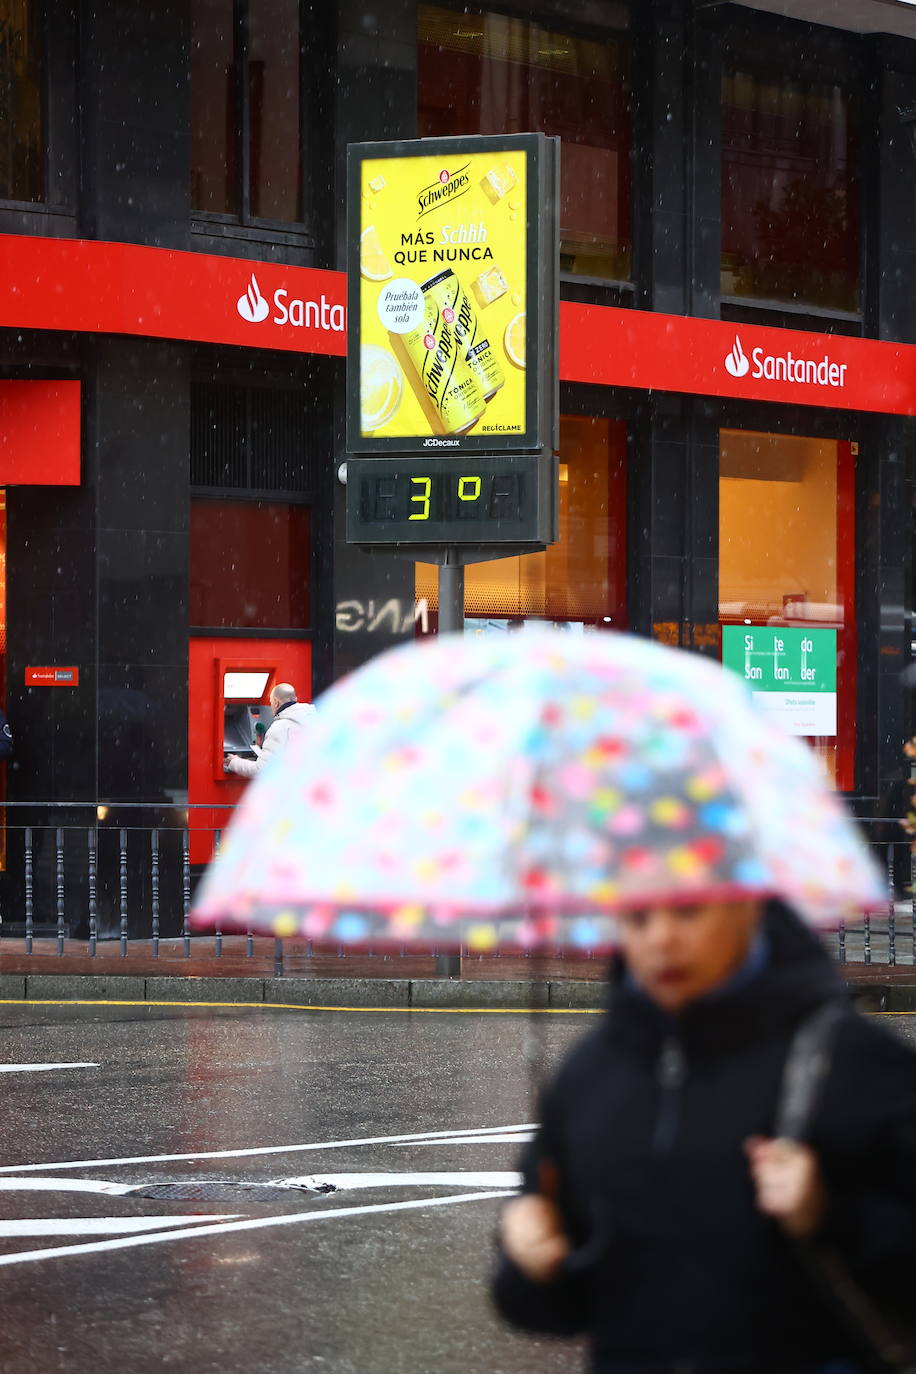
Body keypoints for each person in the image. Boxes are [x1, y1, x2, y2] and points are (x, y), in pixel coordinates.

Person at [493, 898, 916, 1373]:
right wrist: (531, 1265)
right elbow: (553, 1308)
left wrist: (830, 1215)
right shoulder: (590, 1072)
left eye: (689, 912)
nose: (662, 939)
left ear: (747, 910)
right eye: (639, 917)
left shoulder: (850, 1062)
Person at [224, 683, 314, 779]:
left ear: (276, 702)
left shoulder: (279, 727)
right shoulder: (315, 721)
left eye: (271, 702)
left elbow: (262, 770)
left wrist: (234, 762)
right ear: (295, 699)